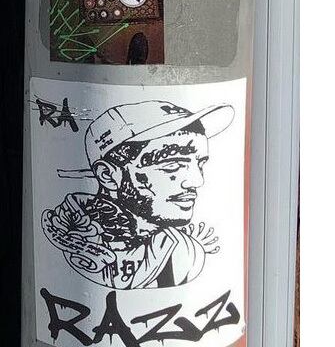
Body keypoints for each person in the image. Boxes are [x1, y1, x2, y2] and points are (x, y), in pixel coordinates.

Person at [41, 98, 235, 290]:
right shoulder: (67, 233)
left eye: (200, 163)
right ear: (108, 175)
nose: (197, 181)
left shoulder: (185, 251)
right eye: (173, 165)